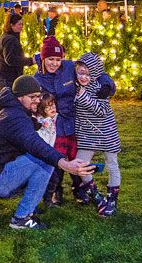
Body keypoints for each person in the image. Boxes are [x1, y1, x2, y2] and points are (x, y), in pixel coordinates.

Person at [0, 75, 95, 230]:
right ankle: (21, 218)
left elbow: (26, 130)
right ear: (19, 96)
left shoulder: (7, 106)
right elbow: (34, 144)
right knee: (45, 161)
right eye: (32, 97)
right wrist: (64, 163)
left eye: (38, 95)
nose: (38, 100)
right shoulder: (14, 117)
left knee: (39, 160)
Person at [33, 35, 115, 205]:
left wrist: (107, 84)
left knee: (77, 156)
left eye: (57, 59)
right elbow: (31, 101)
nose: (54, 63)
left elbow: (96, 70)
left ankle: (80, 188)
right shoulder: (37, 79)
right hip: (53, 127)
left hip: (75, 122)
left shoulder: (70, 67)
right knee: (57, 158)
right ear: (43, 58)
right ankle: (55, 190)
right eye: (50, 59)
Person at [74, 53, 122, 217]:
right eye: (80, 72)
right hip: (87, 134)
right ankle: (96, 196)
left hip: (106, 132)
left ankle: (112, 200)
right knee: (81, 165)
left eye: (88, 73)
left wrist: (83, 97)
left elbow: (102, 110)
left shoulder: (102, 88)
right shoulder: (75, 86)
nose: (84, 77)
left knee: (112, 164)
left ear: (95, 73)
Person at [0, 13, 34, 103]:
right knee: (9, 103)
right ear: (11, 25)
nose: (21, 27)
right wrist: (30, 61)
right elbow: (10, 59)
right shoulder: (10, 39)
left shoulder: (5, 37)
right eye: (19, 24)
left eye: (22, 24)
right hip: (4, 77)